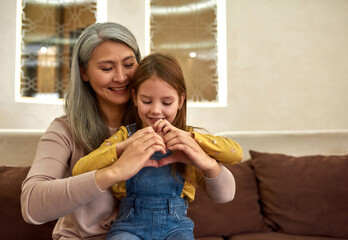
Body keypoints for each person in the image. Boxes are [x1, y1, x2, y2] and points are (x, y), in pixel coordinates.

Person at [20, 22, 242, 240]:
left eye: (128, 64)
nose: (121, 77)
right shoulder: (65, 130)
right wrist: (115, 171)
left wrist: (207, 161)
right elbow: (32, 206)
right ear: (84, 72)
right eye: (107, 68)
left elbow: (224, 194)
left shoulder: (156, 120)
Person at [72, 53, 243, 239]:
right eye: (146, 101)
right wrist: (123, 148)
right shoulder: (124, 136)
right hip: (129, 226)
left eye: (167, 102)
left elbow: (236, 154)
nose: (156, 110)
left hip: (176, 227)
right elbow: (80, 170)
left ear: (181, 101)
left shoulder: (187, 138)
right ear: (135, 97)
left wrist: (192, 139)